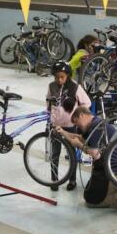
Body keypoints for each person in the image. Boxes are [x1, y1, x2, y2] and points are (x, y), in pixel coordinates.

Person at [59, 106, 117, 209]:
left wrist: (78, 145)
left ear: (82, 115)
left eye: (77, 123)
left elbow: (95, 154)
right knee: (89, 194)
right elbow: (79, 138)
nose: (77, 127)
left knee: (93, 202)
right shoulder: (96, 123)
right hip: (107, 169)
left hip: (113, 171)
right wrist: (62, 132)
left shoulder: (97, 127)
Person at [46, 61, 91, 191]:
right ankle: (54, 180)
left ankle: (72, 180)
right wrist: (49, 119)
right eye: (56, 77)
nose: (59, 80)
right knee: (54, 154)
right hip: (55, 126)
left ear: (68, 76)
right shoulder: (51, 87)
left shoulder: (75, 87)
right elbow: (48, 104)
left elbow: (87, 103)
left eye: (62, 77)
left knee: (72, 154)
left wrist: (77, 115)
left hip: (71, 127)